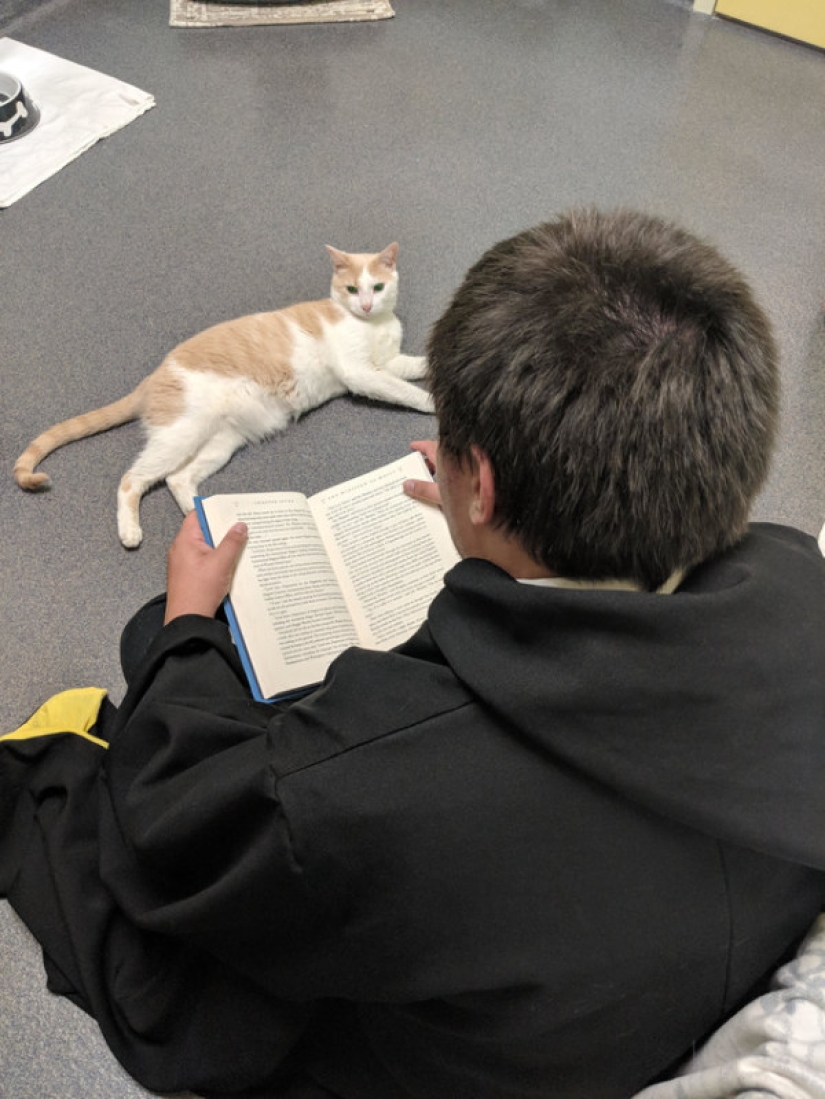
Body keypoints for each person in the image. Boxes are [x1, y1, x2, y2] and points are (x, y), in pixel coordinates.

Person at [3, 207, 825, 1099]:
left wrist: (187, 623)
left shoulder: (358, 790)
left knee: (99, 734)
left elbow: (178, 823)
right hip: (642, 997)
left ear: (478, 479)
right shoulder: (795, 577)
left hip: (458, 1062)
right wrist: (501, 527)